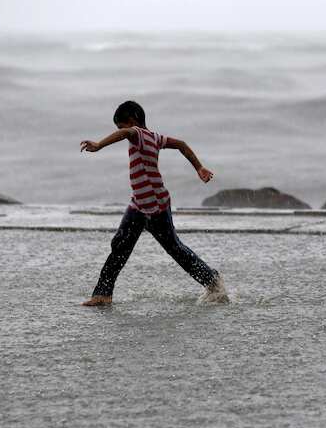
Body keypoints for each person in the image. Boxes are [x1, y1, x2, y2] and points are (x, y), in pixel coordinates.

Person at [79, 101, 228, 305]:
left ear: (133, 120)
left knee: (175, 249)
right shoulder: (155, 137)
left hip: (156, 206)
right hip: (139, 204)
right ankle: (102, 294)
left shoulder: (138, 134)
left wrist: (99, 145)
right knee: (119, 245)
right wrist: (199, 167)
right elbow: (182, 145)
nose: (122, 133)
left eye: (121, 126)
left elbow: (126, 134)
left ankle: (212, 281)